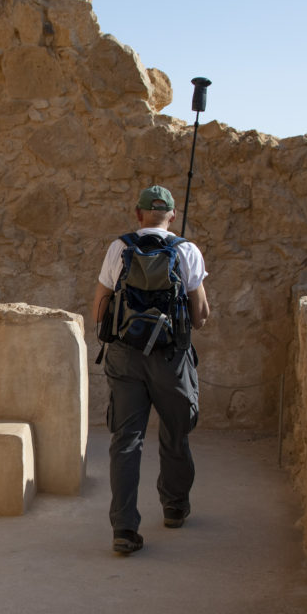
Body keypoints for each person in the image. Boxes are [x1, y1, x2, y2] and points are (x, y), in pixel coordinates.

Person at [92, 185, 210, 555]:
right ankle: (174, 506)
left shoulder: (119, 248)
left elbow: (99, 310)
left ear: (138, 214)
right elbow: (200, 316)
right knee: (176, 433)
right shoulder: (186, 250)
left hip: (125, 356)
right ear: (172, 215)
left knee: (126, 441)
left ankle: (124, 529)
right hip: (170, 357)